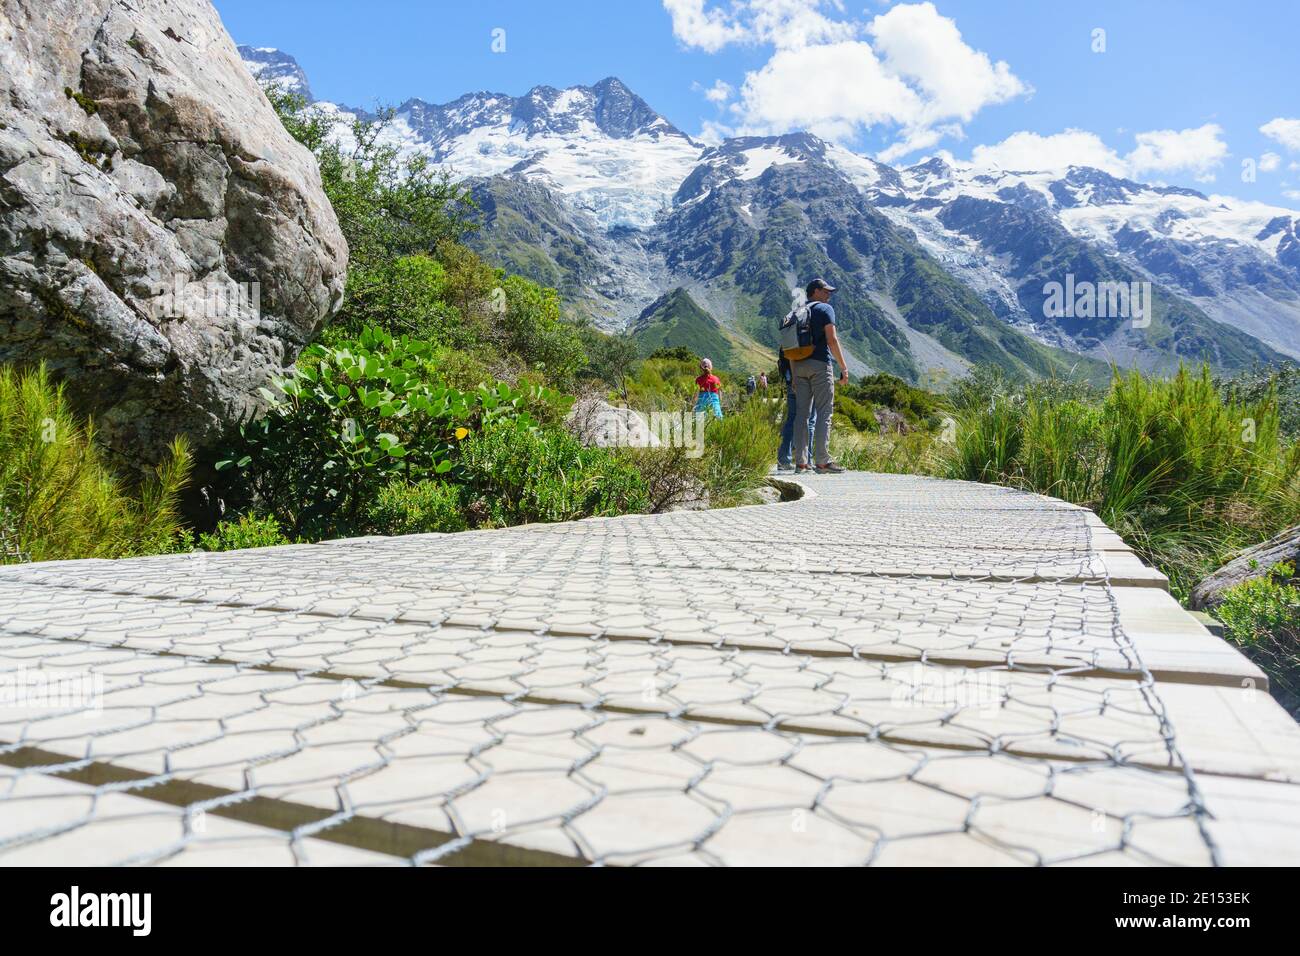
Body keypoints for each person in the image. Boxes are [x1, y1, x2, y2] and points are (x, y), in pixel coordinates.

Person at [791, 278, 847, 474]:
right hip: (820, 364)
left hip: (798, 366)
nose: (828, 294)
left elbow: (790, 346)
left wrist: (794, 372)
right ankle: (822, 461)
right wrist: (843, 367)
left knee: (802, 415)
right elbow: (832, 339)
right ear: (814, 291)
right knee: (824, 412)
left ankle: (801, 462)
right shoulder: (825, 310)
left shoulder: (797, 312)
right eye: (825, 291)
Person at [776, 348, 814, 473]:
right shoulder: (804, 329)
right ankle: (807, 460)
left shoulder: (788, 332)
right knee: (810, 419)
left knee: (792, 418)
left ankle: (784, 459)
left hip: (790, 376)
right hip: (805, 377)